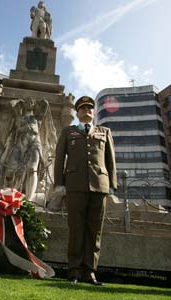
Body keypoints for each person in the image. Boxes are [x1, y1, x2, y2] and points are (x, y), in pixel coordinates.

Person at [54, 96, 117, 286]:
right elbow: (59, 158)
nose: (87, 111)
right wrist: (59, 183)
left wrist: (112, 185)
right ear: (77, 113)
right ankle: (74, 271)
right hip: (74, 185)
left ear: (94, 112)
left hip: (100, 185)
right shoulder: (68, 131)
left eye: (90, 108)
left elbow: (110, 160)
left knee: (94, 230)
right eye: (83, 109)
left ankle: (90, 272)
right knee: (76, 229)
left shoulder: (105, 131)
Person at [1, 97, 56, 202]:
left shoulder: (37, 118)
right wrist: (19, 101)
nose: (30, 103)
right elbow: (10, 104)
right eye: (28, 102)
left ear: (34, 105)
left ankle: (29, 199)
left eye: (32, 102)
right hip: (20, 144)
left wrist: (39, 101)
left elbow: (45, 104)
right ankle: (9, 195)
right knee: (10, 169)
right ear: (24, 103)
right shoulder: (19, 116)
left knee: (32, 168)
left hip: (34, 144)